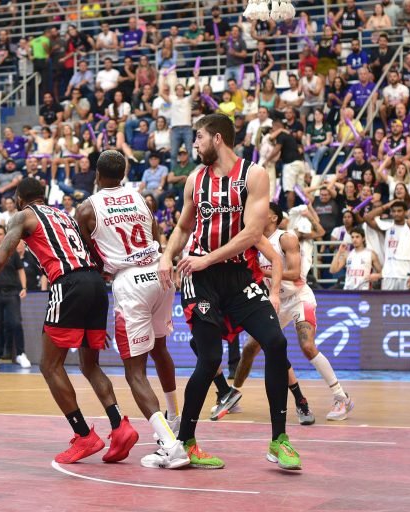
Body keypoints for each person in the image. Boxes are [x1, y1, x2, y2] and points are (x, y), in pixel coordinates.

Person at [156, 114, 300, 471]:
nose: (194, 145)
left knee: (276, 343)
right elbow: (183, 227)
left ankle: (279, 440)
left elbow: (252, 233)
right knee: (208, 359)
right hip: (200, 278)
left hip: (236, 274)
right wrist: (167, 255)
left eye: (199, 137)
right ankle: (186, 442)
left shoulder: (254, 175)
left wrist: (207, 258)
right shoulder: (195, 179)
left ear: (217, 138)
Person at [0, 178, 138, 464]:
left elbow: (1, 257)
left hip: (68, 284)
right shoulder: (64, 215)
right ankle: (120, 426)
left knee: (49, 365)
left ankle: (84, 435)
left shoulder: (23, 216)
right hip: (95, 283)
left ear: (19, 199)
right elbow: (92, 249)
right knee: (90, 365)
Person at [76, 150, 187, 469]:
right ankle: (174, 418)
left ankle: (170, 446)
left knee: (134, 371)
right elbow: (156, 234)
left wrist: (104, 270)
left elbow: (87, 254)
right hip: (160, 272)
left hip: (130, 282)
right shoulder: (140, 198)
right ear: (123, 174)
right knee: (160, 348)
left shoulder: (87, 208)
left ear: (97, 175)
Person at [213, 202, 354, 423]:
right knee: (250, 348)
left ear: (273, 217)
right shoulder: (254, 239)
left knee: (307, 346)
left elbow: (295, 273)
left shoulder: (286, 238)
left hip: (298, 298)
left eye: (264, 212)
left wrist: (262, 272)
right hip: (274, 300)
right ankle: (233, 395)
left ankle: (341, 397)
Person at [0, 225, 30, 370]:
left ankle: (21, 354)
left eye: (0, 234)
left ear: (5, 236)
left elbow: (21, 270)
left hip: (12, 292)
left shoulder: (12, 252)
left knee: (16, 323)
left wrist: (24, 287)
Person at [364, 199, 410, 290]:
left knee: (406, 299)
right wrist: (387, 205)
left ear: (405, 212)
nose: (396, 214)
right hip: (388, 275)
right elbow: (367, 218)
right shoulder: (387, 227)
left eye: (399, 211)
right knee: (387, 299)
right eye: (393, 211)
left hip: (406, 275)